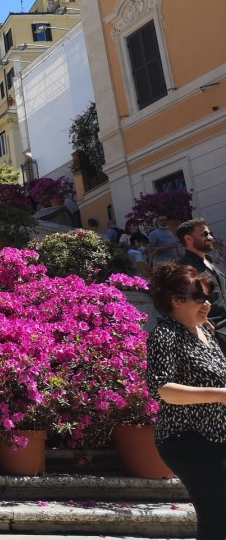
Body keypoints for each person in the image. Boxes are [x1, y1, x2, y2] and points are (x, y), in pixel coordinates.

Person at [146, 263, 226, 540]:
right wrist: (221, 395)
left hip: (216, 436)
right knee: (216, 515)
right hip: (186, 438)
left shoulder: (205, 333)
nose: (207, 305)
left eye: (208, 298)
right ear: (177, 301)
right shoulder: (165, 334)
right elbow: (161, 388)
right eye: (199, 298)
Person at [178, 218, 226, 346]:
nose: (210, 237)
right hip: (216, 333)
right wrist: (202, 323)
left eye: (210, 234)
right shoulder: (185, 268)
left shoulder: (209, 262)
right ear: (189, 239)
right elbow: (182, 302)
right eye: (205, 234)